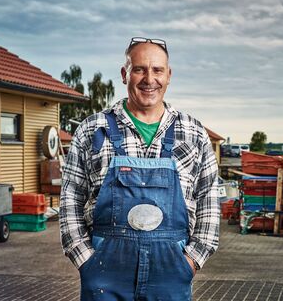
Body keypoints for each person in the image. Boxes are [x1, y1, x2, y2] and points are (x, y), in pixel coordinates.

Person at [59, 37, 220, 300]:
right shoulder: (92, 129)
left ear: (169, 76)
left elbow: (209, 200)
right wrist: (85, 260)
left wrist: (191, 262)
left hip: (172, 274)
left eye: (157, 70)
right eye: (139, 69)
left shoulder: (193, 132)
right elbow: (70, 199)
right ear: (125, 74)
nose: (149, 79)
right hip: (104, 276)